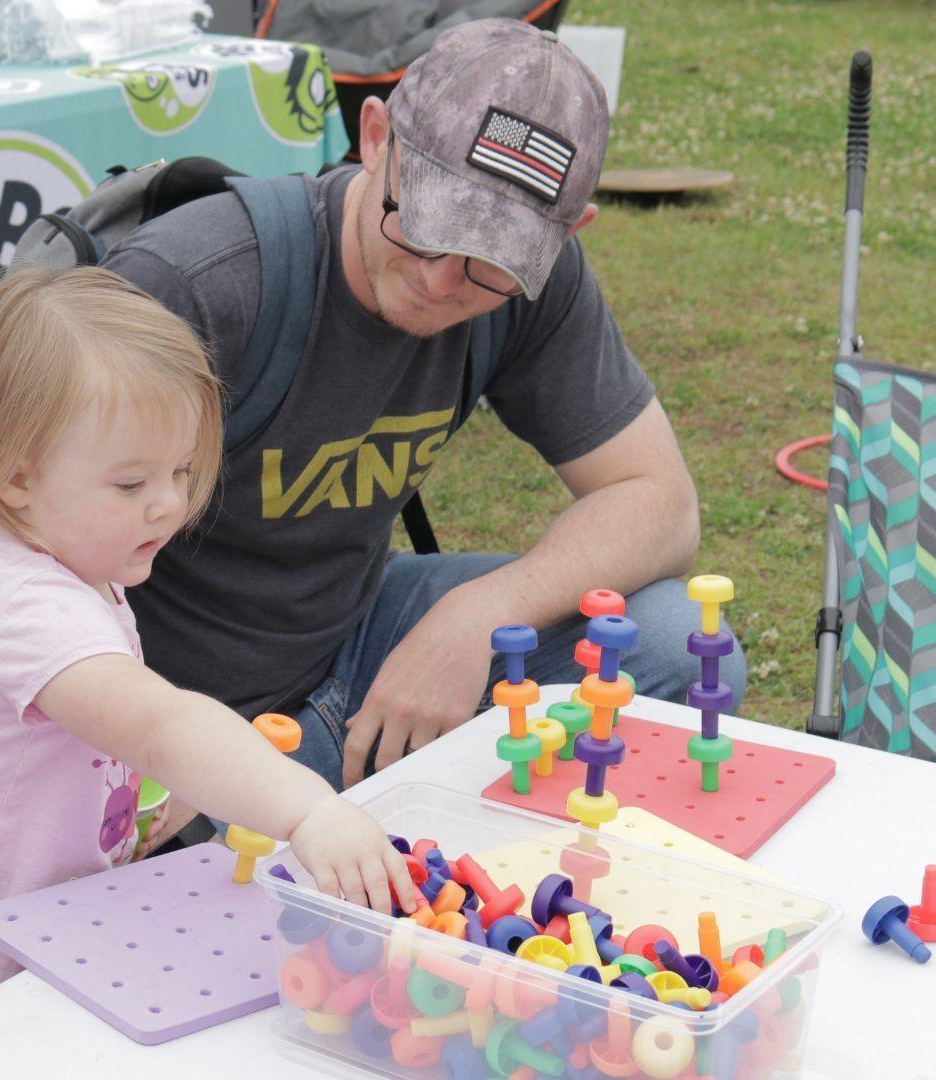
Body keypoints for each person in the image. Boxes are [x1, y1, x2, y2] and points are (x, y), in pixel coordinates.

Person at [105, 19, 749, 821]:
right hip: (181, 718)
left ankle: (378, 808)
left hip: (353, 630)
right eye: (425, 226)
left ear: (565, 237)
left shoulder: (537, 287)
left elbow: (659, 500)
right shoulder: (197, 286)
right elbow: (21, 575)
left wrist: (476, 618)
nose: (444, 281)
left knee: (674, 637)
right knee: (222, 829)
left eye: (494, 258)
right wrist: (176, 752)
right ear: (374, 138)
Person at [0, 266, 419, 1068]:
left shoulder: (78, 562)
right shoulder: (29, 609)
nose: (170, 503)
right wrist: (310, 811)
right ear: (18, 477)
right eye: (133, 481)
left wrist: (147, 803)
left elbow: (82, 747)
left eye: (180, 470)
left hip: (39, 943)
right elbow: (159, 723)